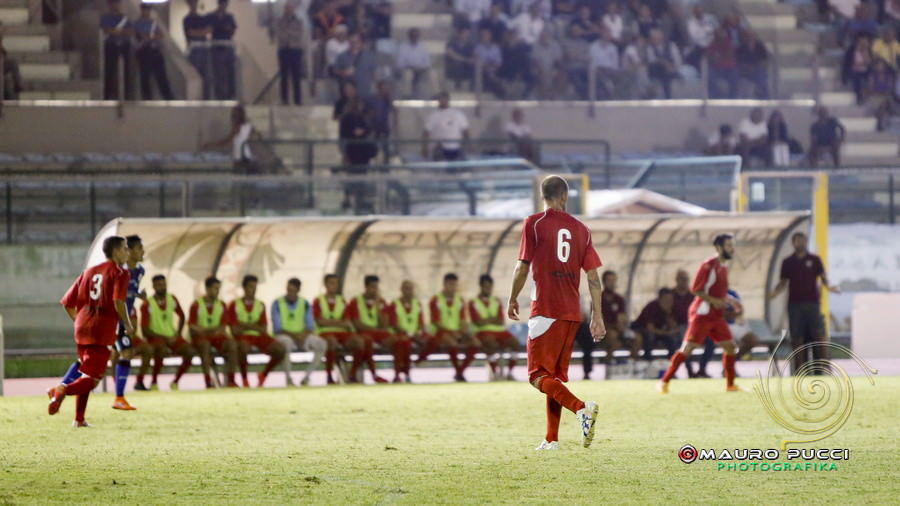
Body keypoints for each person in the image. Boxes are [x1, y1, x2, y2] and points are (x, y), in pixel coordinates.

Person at [507, 175, 604, 450]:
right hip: (572, 312)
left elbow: (522, 267)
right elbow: (594, 278)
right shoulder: (582, 230)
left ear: (543, 196)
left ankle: (581, 408)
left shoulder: (533, 223)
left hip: (546, 309)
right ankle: (551, 439)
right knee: (554, 377)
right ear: (565, 196)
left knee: (537, 376)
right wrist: (597, 315)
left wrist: (513, 298)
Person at [49, 236, 135, 427]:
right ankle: (61, 389)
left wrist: (79, 321)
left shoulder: (88, 272)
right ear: (116, 251)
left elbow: (67, 303)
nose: (127, 252)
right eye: (125, 248)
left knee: (85, 373)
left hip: (82, 328)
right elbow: (118, 301)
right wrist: (127, 324)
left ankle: (79, 419)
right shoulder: (120, 273)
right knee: (94, 379)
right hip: (100, 330)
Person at [657, 233, 741, 393]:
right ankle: (664, 382)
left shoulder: (723, 267)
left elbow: (717, 291)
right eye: (729, 245)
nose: (732, 248)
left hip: (716, 316)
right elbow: (696, 289)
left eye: (733, 245)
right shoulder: (708, 265)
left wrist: (730, 300)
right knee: (687, 349)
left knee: (730, 347)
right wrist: (714, 301)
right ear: (718, 247)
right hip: (702, 315)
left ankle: (730, 385)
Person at [768, 232, 840, 375]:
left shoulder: (814, 259)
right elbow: (783, 283)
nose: (800, 243)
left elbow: (824, 279)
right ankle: (800, 369)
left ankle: (824, 367)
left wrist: (830, 287)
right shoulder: (787, 262)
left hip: (812, 303)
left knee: (818, 334)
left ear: (806, 242)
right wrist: (774, 293)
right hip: (795, 304)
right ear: (793, 243)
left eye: (803, 240)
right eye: (797, 241)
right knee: (797, 337)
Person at [109, 235, 152, 408]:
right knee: (125, 353)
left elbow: (128, 293)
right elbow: (115, 297)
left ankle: (62, 388)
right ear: (131, 250)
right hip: (113, 319)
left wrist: (139, 295)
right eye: (140, 248)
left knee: (121, 353)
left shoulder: (140, 271)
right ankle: (118, 396)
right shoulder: (120, 271)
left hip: (122, 319)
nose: (143, 252)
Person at [226, 275, 286, 387]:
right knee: (242, 347)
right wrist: (254, 325)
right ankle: (244, 379)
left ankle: (263, 375)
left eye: (255, 287)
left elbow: (263, 329)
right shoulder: (234, 305)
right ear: (244, 288)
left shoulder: (260, 305)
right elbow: (235, 330)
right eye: (250, 286)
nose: (253, 289)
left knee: (281, 349)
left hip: (258, 337)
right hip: (243, 337)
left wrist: (244, 324)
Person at [418, 273, 476, 382]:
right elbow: (435, 322)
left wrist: (463, 331)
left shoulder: (460, 300)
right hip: (440, 332)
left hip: (456, 332)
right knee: (452, 342)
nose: (453, 287)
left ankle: (460, 371)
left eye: (455, 284)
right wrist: (453, 332)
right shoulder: (435, 300)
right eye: (450, 284)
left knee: (476, 343)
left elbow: (463, 320)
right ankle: (459, 373)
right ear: (444, 284)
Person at [140, 275, 195, 391]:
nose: (163, 287)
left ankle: (175, 381)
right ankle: (154, 382)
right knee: (160, 348)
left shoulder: (172, 299)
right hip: (156, 338)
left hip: (172, 337)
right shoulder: (147, 304)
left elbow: (182, 315)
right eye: (159, 285)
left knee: (190, 351)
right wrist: (164, 338)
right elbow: (145, 331)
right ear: (153, 286)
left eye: (164, 284)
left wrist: (178, 334)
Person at [271, 278, 328, 386]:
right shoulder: (277, 303)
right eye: (288, 290)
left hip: (302, 336)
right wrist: (295, 336)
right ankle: (289, 379)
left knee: (321, 344)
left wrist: (303, 336)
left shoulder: (305, 303)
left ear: (298, 290)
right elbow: (277, 327)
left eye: (293, 290)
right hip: (284, 336)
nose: (290, 293)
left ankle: (306, 377)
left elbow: (310, 326)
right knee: (285, 344)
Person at [189, 276, 239, 388]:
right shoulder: (196, 305)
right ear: (207, 289)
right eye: (215, 288)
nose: (217, 291)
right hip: (201, 338)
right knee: (204, 346)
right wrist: (212, 330)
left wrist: (204, 330)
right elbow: (193, 327)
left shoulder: (221, 305)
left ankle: (231, 380)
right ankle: (208, 381)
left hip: (216, 337)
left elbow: (222, 327)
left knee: (232, 345)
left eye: (218, 289)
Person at [469, 274, 520, 381]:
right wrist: (493, 319)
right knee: (490, 343)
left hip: (499, 330)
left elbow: (501, 321)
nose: (488, 289)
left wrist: (486, 320)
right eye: (486, 286)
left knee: (516, 343)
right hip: (482, 332)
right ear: (481, 286)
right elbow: (477, 322)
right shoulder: (473, 302)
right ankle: (495, 373)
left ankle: (510, 373)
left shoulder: (496, 300)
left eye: (490, 286)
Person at [345, 275, 392, 383]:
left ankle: (400, 374)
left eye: (376, 287)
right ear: (366, 287)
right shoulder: (356, 301)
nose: (374, 290)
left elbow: (384, 325)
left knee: (399, 340)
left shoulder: (381, 302)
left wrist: (377, 307)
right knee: (367, 341)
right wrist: (375, 329)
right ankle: (372, 374)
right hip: (364, 332)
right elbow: (357, 324)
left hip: (378, 333)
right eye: (372, 287)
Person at [313, 273, 356, 384]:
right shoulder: (318, 301)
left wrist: (329, 322)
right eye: (331, 283)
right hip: (324, 333)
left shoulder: (342, 301)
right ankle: (329, 376)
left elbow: (347, 323)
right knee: (331, 341)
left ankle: (352, 374)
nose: (334, 286)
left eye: (336, 283)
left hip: (342, 333)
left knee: (359, 342)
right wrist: (338, 322)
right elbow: (320, 322)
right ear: (325, 285)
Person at [387, 280, 425, 383]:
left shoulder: (417, 304)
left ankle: (415, 362)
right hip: (401, 334)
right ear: (401, 290)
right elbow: (393, 323)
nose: (409, 291)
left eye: (410, 288)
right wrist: (408, 334)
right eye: (406, 288)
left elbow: (421, 323)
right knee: (403, 342)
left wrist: (419, 332)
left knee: (433, 341)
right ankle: (400, 374)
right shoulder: (395, 304)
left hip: (415, 334)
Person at [134, 2, 174, 100]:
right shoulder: (137, 23)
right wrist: (151, 37)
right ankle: (147, 99)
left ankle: (168, 98)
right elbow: (141, 36)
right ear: (142, 10)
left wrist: (151, 36)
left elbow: (160, 35)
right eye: (145, 9)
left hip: (155, 50)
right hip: (144, 51)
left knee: (162, 76)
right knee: (145, 77)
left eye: (148, 9)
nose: (147, 11)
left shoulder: (153, 23)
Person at [600, 270, 640, 364]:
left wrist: (621, 326)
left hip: (620, 329)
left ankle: (633, 363)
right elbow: (598, 320)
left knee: (637, 338)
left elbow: (622, 317)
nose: (612, 283)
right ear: (604, 282)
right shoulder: (598, 299)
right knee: (612, 336)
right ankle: (609, 362)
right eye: (609, 281)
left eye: (613, 280)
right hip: (605, 331)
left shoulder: (619, 299)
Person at [202, 104, 257, 170]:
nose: (233, 116)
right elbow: (255, 135)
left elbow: (225, 141)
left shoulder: (237, 127)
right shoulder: (248, 125)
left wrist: (210, 144)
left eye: (234, 114)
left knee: (238, 176)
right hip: (246, 155)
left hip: (240, 157)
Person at [632, 288, 679, 361]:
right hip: (643, 330)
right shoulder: (651, 307)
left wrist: (668, 315)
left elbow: (675, 328)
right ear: (660, 299)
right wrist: (667, 333)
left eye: (671, 299)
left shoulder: (672, 308)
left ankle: (671, 362)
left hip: (661, 332)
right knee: (650, 337)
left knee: (673, 338)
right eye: (666, 299)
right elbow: (650, 329)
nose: (669, 302)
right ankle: (648, 360)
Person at [422, 91, 470, 161]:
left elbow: (465, 130)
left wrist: (470, 144)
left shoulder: (458, 114)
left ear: (448, 100)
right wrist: (424, 147)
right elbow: (426, 132)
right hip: (440, 148)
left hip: (456, 148)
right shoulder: (433, 116)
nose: (442, 101)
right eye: (440, 99)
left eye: (444, 99)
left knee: (461, 166)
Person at [100, 0, 133, 100]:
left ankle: (126, 96)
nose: (116, 5)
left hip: (124, 46)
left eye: (117, 3)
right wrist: (120, 31)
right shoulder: (105, 17)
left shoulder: (125, 18)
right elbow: (106, 30)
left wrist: (115, 31)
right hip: (111, 46)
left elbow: (130, 31)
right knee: (109, 71)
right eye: (113, 3)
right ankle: (106, 96)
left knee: (126, 71)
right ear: (109, 4)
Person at [276, 2, 305, 105]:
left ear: (294, 9)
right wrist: (290, 35)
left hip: (295, 50)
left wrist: (289, 34)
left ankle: (298, 100)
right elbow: (280, 34)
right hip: (284, 50)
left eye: (291, 8)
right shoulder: (280, 21)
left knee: (296, 76)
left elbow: (299, 34)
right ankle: (284, 99)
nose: (289, 10)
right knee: (284, 76)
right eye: (287, 8)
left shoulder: (299, 21)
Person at [209, 0, 237, 100]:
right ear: (219, 4)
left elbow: (232, 30)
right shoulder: (212, 16)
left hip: (228, 47)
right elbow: (210, 29)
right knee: (219, 73)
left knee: (230, 72)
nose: (224, 6)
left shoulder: (229, 17)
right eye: (223, 4)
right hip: (217, 47)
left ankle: (231, 95)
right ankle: (220, 96)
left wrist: (228, 29)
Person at [183, 0, 212, 99]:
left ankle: (206, 98)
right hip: (193, 51)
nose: (194, 5)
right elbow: (191, 33)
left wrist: (199, 32)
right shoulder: (187, 19)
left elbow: (208, 30)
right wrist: (201, 32)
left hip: (203, 49)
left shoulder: (202, 18)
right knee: (195, 75)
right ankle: (194, 98)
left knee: (206, 76)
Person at [395, 28, 431, 99]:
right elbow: (400, 63)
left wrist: (421, 68)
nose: (414, 37)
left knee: (433, 74)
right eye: (413, 35)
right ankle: (407, 95)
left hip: (421, 70)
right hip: (408, 69)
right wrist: (411, 67)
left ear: (418, 36)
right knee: (408, 74)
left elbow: (427, 62)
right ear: (409, 36)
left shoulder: (422, 47)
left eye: (416, 36)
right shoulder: (403, 47)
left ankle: (437, 94)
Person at [646, 29, 681, 99]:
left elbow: (677, 60)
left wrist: (671, 66)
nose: (655, 40)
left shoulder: (671, 46)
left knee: (667, 74)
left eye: (657, 38)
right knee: (660, 68)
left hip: (671, 69)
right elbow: (652, 61)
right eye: (654, 39)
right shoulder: (650, 48)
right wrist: (664, 63)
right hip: (657, 71)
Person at [706, 27, 738, 99]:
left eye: (721, 33)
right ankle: (715, 97)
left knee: (735, 78)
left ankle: (733, 98)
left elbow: (730, 55)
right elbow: (710, 57)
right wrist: (717, 57)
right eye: (717, 34)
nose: (719, 35)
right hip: (716, 68)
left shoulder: (729, 42)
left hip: (729, 68)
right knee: (710, 77)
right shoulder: (712, 44)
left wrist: (719, 56)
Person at [736, 30, 769, 99]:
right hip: (745, 70)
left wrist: (756, 66)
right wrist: (746, 66)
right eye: (748, 36)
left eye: (752, 36)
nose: (750, 37)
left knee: (761, 74)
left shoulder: (760, 47)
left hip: (758, 69)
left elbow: (765, 59)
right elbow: (738, 60)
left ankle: (764, 96)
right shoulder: (741, 47)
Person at [474, 27, 504, 98]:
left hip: (495, 71)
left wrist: (491, 65)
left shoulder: (496, 48)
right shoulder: (478, 48)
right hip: (483, 73)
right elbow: (478, 62)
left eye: (486, 35)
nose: (485, 37)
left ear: (490, 36)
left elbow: (498, 63)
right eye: (483, 35)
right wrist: (488, 65)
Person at [445, 26, 476, 91]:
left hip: (465, 71)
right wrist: (464, 59)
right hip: (453, 69)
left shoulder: (470, 45)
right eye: (464, 33)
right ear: (460, 33)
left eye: (467, 33)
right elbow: (451, 54)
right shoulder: (451, 43)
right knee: (457, 64)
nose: (466, 35)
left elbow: (473, 58)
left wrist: (468, 60)